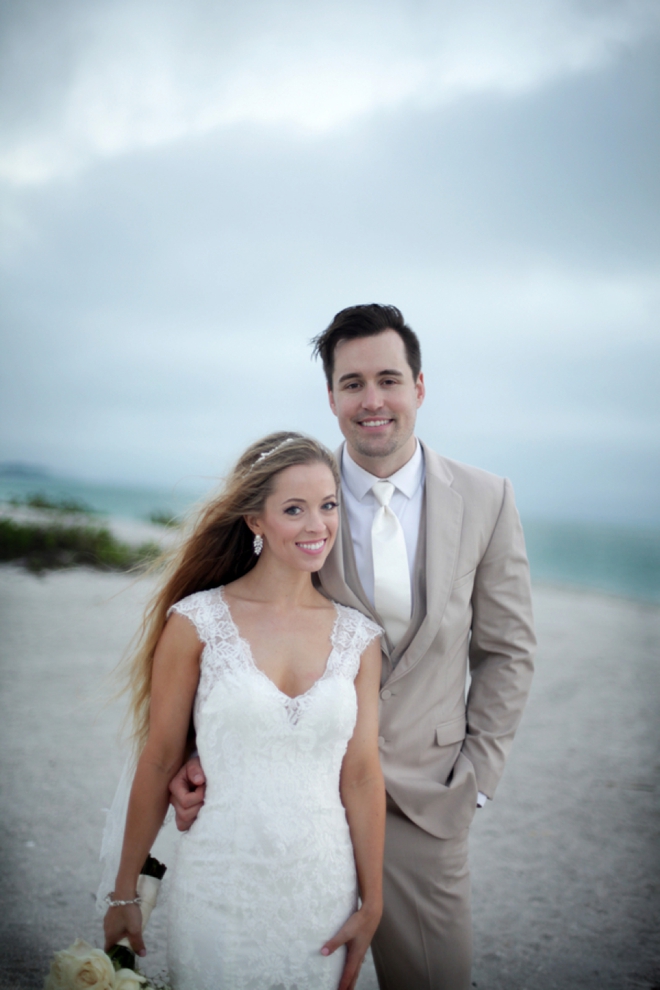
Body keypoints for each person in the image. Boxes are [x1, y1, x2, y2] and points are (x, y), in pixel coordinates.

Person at [170, 305, 537, 990]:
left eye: (389, 379)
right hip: (291, 801)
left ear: (419, 387)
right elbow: (229, 629)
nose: (372, 401)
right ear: (331, 396)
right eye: (352, 383)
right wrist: (202, 750)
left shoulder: (488, 499)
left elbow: (508, 651)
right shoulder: (300, 492)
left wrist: (477, 781)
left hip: (427, 803)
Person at [102, 432, 386, 990]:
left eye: (328, 505)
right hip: (219, 882)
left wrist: (371, 902)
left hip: (322, 888)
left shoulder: (359, 638)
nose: (317, 526)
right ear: (255, 520)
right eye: (294, 509)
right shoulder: (196, 622)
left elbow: (361, 775)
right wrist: (123, 891)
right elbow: (160, 760)